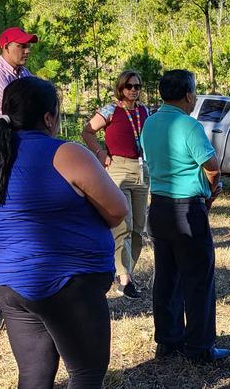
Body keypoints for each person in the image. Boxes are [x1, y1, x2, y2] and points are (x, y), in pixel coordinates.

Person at [0, 77, 128, 387]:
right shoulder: (67, 154)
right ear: (48, 117)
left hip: (9, 283)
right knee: (85, 375)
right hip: (68, 282)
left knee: (33, 375)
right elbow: (117, 211)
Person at [140, 69, 229, 362]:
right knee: (198, 279)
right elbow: (212, 167)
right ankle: (200, 347)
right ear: (189, 95)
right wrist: (211, 193)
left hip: (159, 206)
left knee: (166, 277)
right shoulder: (189, 126)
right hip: (187, 207)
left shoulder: (150, 123)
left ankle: (167, 341)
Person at [82, 71, 150, 299]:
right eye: (129, 86)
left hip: (141, 168)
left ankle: (127, 271)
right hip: (118, 167)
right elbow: (87, 131)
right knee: (123, 224)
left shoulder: (143, 111)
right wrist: (100, 153)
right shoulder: (111, 110)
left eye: (137, 86)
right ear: (121, 88)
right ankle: (124, 278)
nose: (133, 90)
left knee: (139, 226)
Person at [0, 26, 37, 121]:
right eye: (22, 46)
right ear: (6, 47)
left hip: (19, 131)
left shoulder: (23, 72)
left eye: (28, 46)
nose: (27, 51)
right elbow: (17, 107)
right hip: (0, 133)